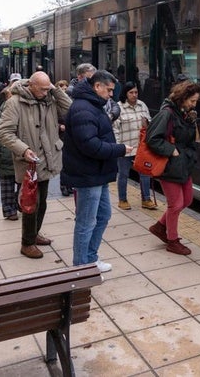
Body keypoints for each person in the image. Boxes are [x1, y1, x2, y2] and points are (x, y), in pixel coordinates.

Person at [0, 71, 71, 259]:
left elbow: (71, 110)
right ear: (31, 85)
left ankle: (34, 233)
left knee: (42, 203)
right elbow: (4, 133)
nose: (46, 93)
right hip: (29, 162)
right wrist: (23, 149)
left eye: (48, 89)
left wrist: (55, 91)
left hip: (47, 159)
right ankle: (27, 243)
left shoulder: (49, 99)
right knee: (31, 204)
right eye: (43, 89)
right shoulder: (14, 103)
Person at [62, 70, 131, 272]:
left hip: (97, 173)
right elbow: (90, 145)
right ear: (97, 86)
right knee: (86, 221)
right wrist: (119, 149)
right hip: (88, 174)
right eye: (109, 90)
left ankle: (90, 259)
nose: (111, 94)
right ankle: (81, 266)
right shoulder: (84, 108)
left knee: (103, 216)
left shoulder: (92, 105)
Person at [145, 80, 200, 255]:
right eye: (192, 101)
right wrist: (171, 150)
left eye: (196, 101)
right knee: (175, 204)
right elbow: (152, 138)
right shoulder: (167, 113)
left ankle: (160, 226)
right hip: (170, 165)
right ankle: (172, 240)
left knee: (187, 200)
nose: (194, 104)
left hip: (183, 164)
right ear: (183, 97)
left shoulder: (185, 113)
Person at [112, 81, 154, 210]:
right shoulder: (119, 107)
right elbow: (115, 129)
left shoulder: (142, 105)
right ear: (125, 93)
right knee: (124, 174)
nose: (134, 95)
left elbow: (150, 123)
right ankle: (123, 200)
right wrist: (118, 148)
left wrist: (147, 123)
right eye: (131, 92)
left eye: (136, 92)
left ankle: (146, 199)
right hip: (125, 148)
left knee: (145, 174)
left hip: (141, 148)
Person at [0, 87, 19, 220]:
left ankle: (20, 204)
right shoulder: (1, 113)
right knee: (7, 185)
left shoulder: (24, 111)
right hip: (5, 154)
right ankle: (9, 210)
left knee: (23, 183)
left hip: (21, 154)